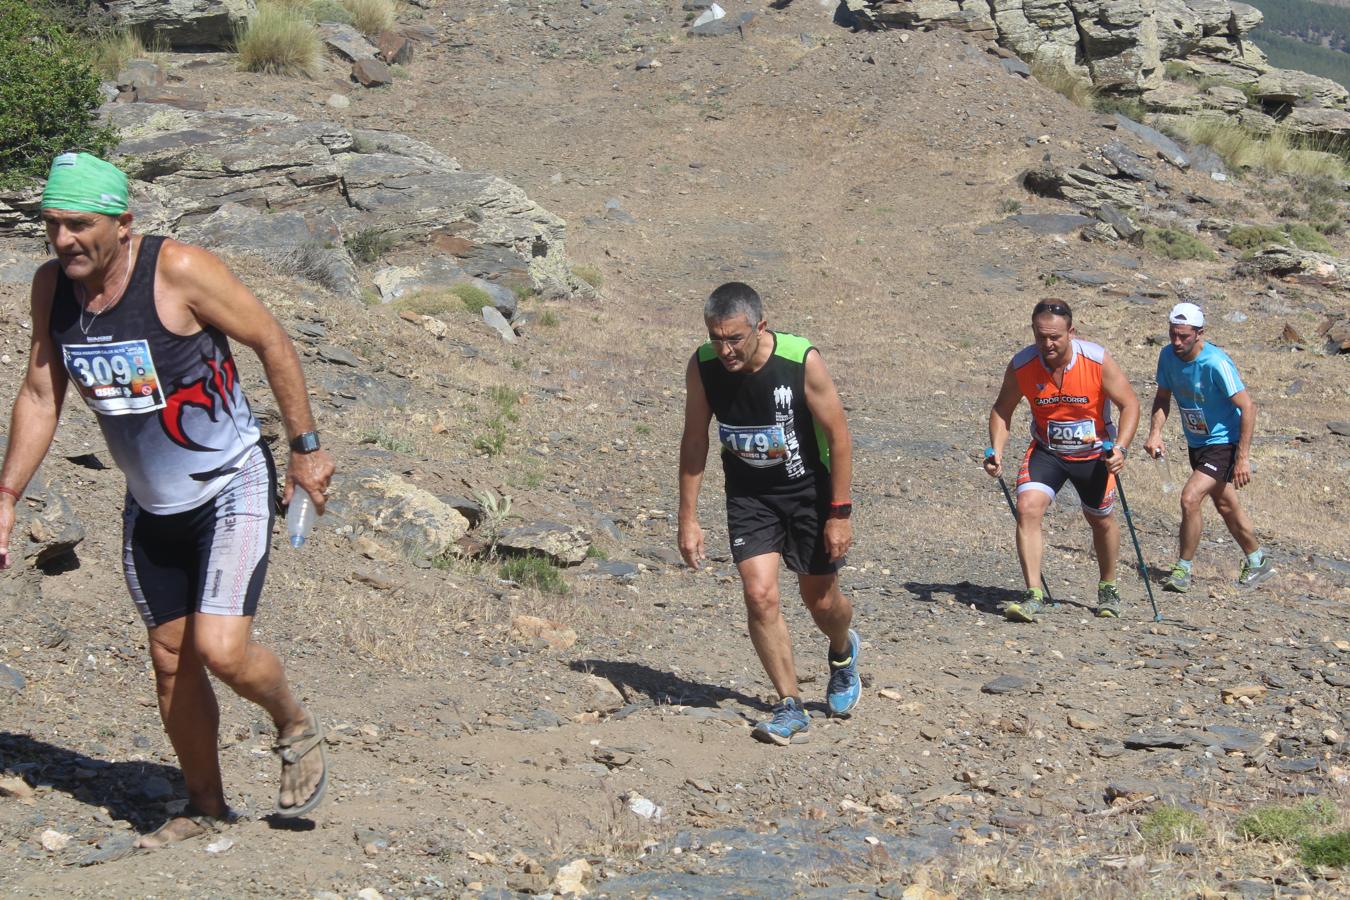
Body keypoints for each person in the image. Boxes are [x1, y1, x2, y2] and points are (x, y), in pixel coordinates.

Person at [0, 153, 335, 847]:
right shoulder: (52, 290)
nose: (63, 241)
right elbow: (41, 391)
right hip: (151, 502)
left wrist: (305, 449)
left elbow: (270, 338)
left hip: (229, 485)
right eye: (51, 226)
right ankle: (205, 806)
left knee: (221, 649)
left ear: (124, 223)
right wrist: (6, 493)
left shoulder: (177, 270)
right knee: (170, 658)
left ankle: (291, 721)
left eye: (78, 225)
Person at [678, 282, 860, 745]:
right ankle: (789, 704)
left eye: (734, 338)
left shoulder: (801, 361)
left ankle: (842, 652)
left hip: (808, 494)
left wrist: (839, 513)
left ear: (761, 326)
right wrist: (688, 517)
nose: (725, 349)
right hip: (749, 496)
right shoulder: (703, 367)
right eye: (716, 338)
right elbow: (695, 438)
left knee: (821, 601)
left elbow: (838, 436)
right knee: (760, 595)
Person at [984, 300, 1140, 622]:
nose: (1047, 344)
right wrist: (996, 450)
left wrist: (1121, 449)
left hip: (1094, 454)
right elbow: (1002, 409)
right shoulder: (1023, 365)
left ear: (1071, 332)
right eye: (1041, 336)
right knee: (1027, 507)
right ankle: (1033, 594)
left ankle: (1108, 587)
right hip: (1048, 451)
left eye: (1055, 337)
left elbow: (1130, 404)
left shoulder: (1096, 360)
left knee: (1100, 519)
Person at [1143, 302, 1273, 591]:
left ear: (1199, 333)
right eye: (1172, 334)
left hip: (1224, 442)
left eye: (1184, 336)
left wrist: (1243, 459)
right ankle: (1258, 561)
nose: (1177, 342)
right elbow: (1163, 397)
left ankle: (1182, 570)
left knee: (1190, 498)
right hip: (1197, 442)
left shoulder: (1216, 363)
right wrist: (1155, 433)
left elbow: (1248, 407)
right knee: (1226, 504)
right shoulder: (1167, 356)